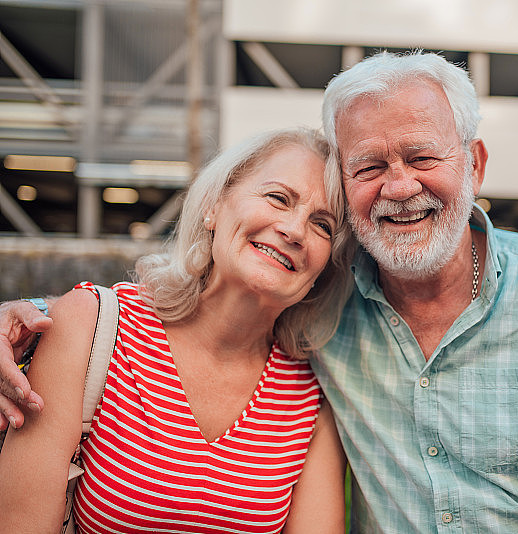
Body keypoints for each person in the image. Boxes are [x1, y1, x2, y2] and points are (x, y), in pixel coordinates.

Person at [0, 52, 518, 533]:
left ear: (476, 164)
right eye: (370, 166)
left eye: (423, 157)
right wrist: (22, 317)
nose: (400, 186)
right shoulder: (325, 314)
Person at [0, 128, 350, 533]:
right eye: (277, 198)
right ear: (214, 207)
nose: (294, 230)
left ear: (326, 269)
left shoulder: (310, 396)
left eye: (322, 225)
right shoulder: (92, 325)